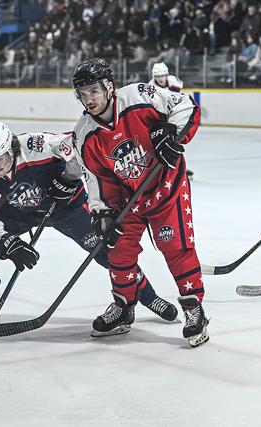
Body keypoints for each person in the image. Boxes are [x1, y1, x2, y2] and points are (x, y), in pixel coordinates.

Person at [0, 121, 178, 333]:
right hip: (22, 212)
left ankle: (148, 297)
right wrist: (7, 243)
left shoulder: (35, 145)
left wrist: (68, 177)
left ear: (11, 149)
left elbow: (78, 146)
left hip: (68, 208)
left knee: (106, 251)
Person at [70, 58, 209, 348]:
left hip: (166, 187)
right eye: (83, 94)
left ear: (109, 87)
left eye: (94, 91)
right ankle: (124, 306)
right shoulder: (83, 134)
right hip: (128, 198)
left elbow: (185, 105)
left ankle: (193, 308)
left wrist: (170, 131)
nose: (89, 99)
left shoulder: (138, 96)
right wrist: (101, 212)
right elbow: (95, 178)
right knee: (118, 251)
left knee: (176, 247)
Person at [148, 64, 195, 180]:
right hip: (160, 118)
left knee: (175, 143)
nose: (160, 78)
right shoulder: (150, 87)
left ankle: (179, 168)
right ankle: (162, 170)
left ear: (167, 74)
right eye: (157, 76)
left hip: (173, 116)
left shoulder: (174, 82)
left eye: (162, 75)